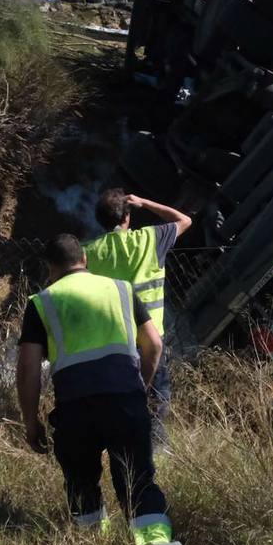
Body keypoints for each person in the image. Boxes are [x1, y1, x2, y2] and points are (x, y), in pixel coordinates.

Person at [16, 234, 182, 545]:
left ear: (51, 268)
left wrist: (31, 419)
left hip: (75, 407)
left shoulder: (41, 302)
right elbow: (154, 344)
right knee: (137, 476)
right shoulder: (121, 289)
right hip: (125, 398)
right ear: (85, 261)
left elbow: (28, 368)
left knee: (81, 478)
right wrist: (142, 387)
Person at [83, 190, 191, 445]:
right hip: (150, 336)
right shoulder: (150, 239)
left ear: (100, 219)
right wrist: (145, 202)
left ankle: (118, 440)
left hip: (114, 337)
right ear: (128, 217)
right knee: (156, 393)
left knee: (116, 393)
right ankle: (155, 445)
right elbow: (185, 220)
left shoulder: (90, 251)